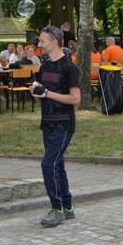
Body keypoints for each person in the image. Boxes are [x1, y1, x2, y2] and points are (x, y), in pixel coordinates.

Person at [30, 26, 81, 227]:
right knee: (57, 165)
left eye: (42, 41)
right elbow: (42, 98)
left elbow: (75, 99)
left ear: (54, 42)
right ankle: (67, 207)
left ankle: (56, 208)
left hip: (63, 124)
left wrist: (47, 93)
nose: (39, 45)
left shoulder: (68, 67)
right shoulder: (45, 66)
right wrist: (37, 93)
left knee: (48, 164)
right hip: (48, 123)